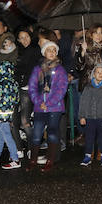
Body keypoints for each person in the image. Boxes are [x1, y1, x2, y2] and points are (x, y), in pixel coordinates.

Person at [28, 40, 68, 172]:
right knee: (36, 133)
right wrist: (39, 102)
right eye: (49, 50)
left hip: (54, 107)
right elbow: (32, 87)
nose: (52, 52)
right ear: (44, 52)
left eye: (54, 50)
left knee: (52, 132)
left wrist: (49, 103)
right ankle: (33, 160)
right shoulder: (37, 69)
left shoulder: (60, 70)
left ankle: (50, 160)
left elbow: (61, 89)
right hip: (40, 106)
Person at [0, 40, 21, 169]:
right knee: (0, 136)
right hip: (8, 112)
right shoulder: (13, 82)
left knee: (6, 135)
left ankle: (15, 159)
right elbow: (16, 99)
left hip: (0, 112)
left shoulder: (0, 83)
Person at [78, 64, 102, 166]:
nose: (100, 74)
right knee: (89, 137)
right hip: (90, 117)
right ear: (93, 74)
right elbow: (83, 102)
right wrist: (82, 116)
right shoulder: (88, 87)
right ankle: (88, 156)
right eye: (98, 72)